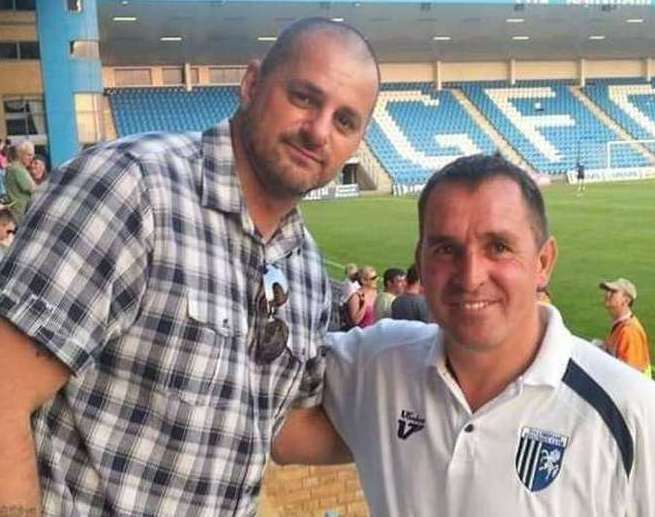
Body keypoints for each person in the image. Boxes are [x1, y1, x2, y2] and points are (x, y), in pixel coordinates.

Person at [0, 17, 380, 515]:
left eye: (344, 121)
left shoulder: (304, 266)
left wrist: (414, 430)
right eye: (304, 98)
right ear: (251, 84)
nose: (318, 131)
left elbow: (281, 427)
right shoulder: (132, 189)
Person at [273, 153, 655, 516]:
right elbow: (263, 417)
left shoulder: (637, 415)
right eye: (446, 249)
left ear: (543, 262)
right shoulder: (376, 366)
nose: (470, 276)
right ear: (421, 261)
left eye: (499, 247)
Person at [599, 277, 652, 377]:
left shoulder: (629, 331)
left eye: (613, 292)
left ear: (626, 300)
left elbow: (629, 375)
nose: (607, 294)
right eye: (607, 291)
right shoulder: (620, 325)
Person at [4, 140, 37, 223]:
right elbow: (33, 189)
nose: (31, 158)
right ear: (20, 154)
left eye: (33, 155)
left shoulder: (15, 168)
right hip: (20, 214)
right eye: (28, 155)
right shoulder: (17, 169)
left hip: (17, 213)